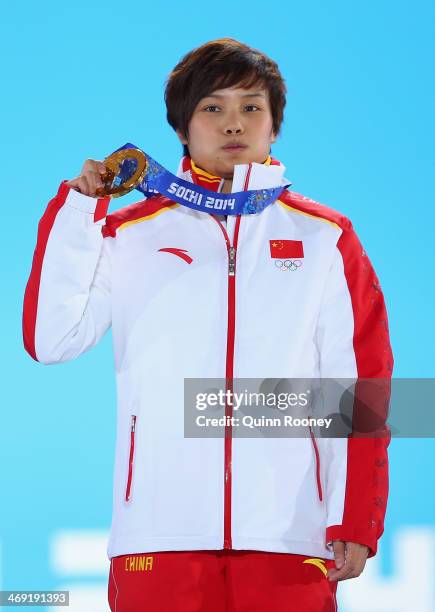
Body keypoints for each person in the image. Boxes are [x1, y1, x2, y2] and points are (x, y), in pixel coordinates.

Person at [22, 38, 394, 611]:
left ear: (274, 127)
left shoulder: (326, 237)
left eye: (252, 107)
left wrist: (354, 515)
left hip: (289, 535)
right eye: (212, 108)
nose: (233, 124)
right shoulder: (129, 232)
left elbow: (361, 384)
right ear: (182, 128)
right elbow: (53, 340)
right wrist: (78, 212)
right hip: (158, 534)